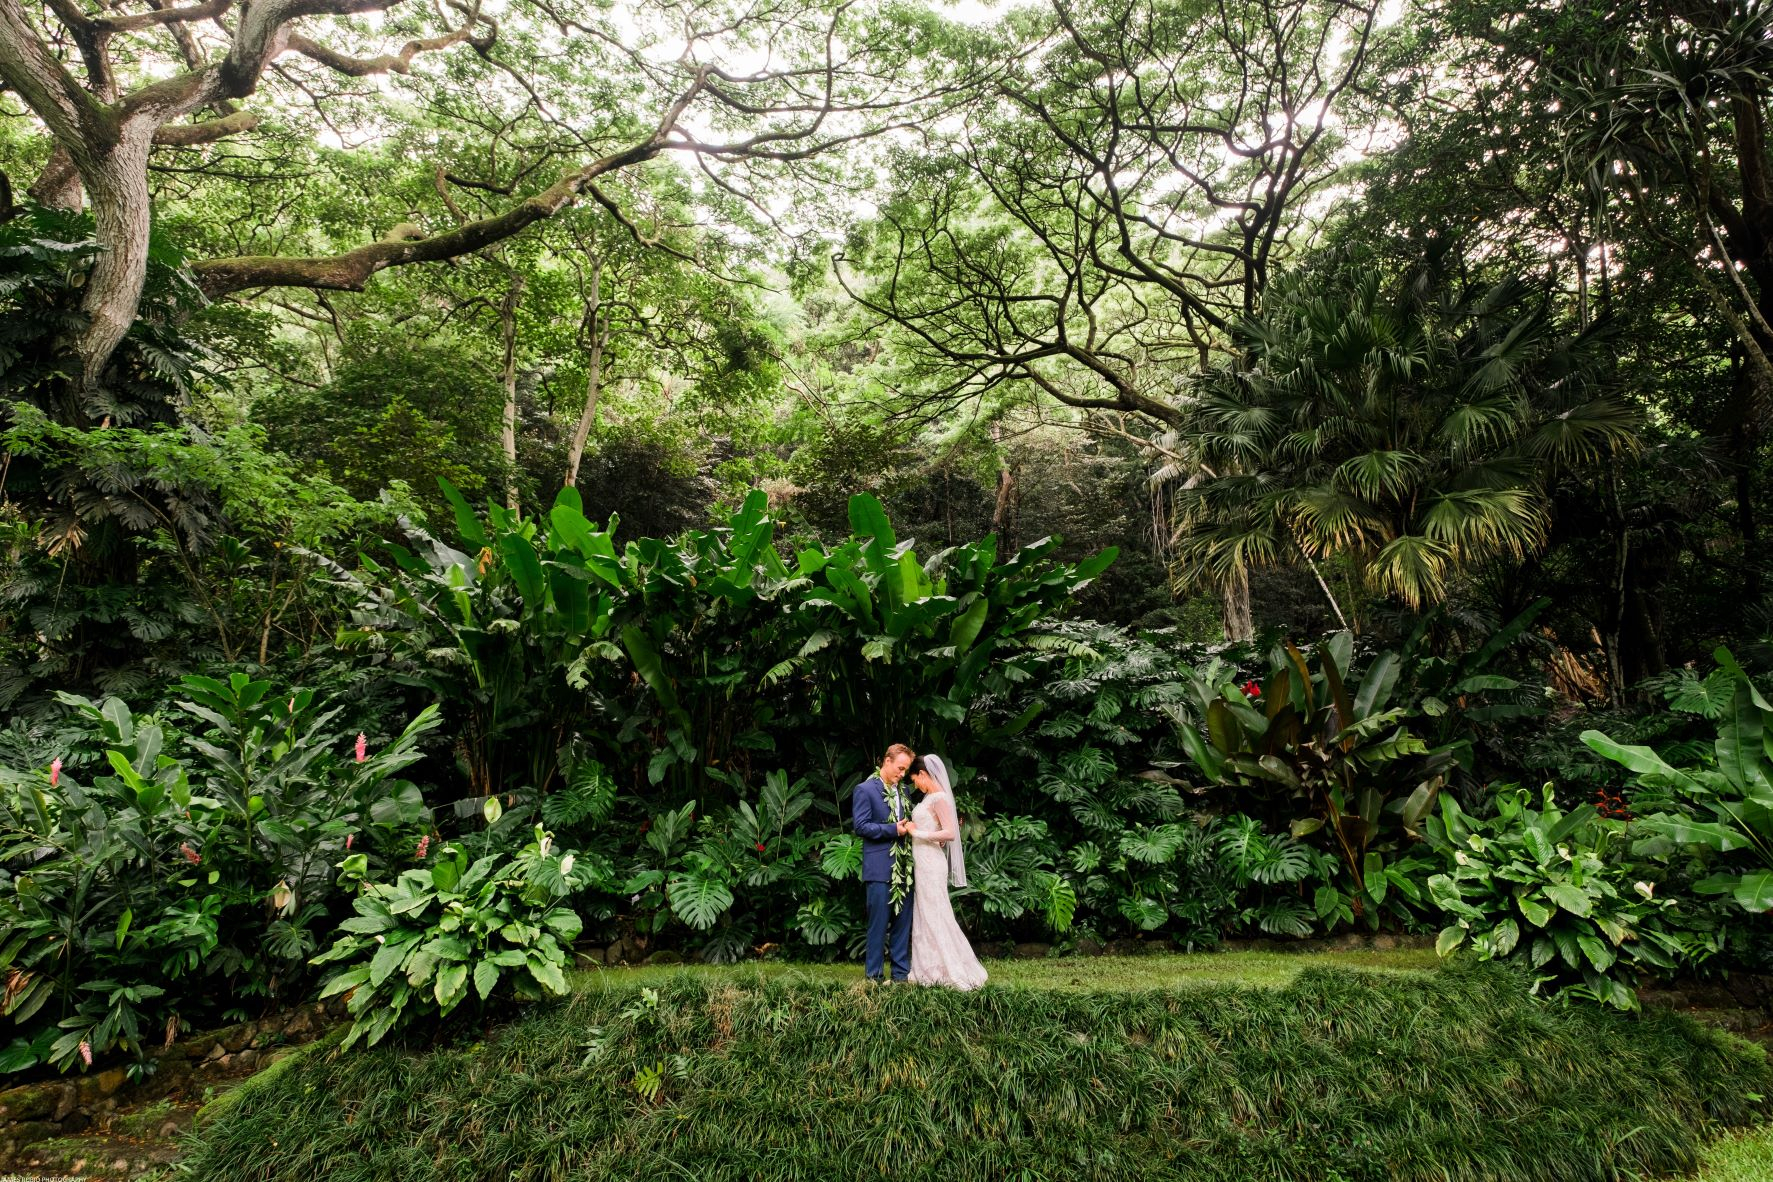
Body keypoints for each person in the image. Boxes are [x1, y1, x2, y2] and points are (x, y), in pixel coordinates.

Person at [904, 754, 988, 991]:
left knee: (936, 914)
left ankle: (948, 968)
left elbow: (950, 833)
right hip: (924, 862)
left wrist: (917, 833)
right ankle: (928, 967)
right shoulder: (929, 797)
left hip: (931, 864)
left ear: (922, 774)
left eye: (915, 780)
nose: (916, 785)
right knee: (926, 914)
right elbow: (940, 831)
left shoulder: (939, 797)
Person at [851, 743, 916, 982]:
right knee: (878, 926)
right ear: (886, 761)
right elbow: (861, 826)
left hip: (905, 869)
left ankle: (900, 976)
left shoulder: (905, 792)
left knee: (902, 925)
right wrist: (893, 830)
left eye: (906, 770)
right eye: (900, 768)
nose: (902, 774)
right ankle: (874, 979)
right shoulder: (865, 790)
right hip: (879, 869)